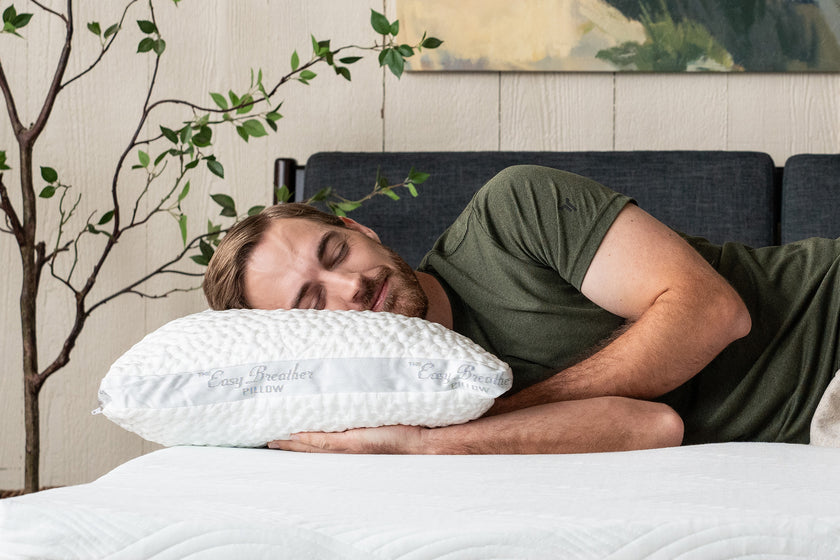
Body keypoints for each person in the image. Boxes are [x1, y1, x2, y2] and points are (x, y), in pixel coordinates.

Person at [203, 165, 840, 455]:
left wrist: (464, 429)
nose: (350, 287)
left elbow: (712, 312)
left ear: (359, 227)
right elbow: (652, 426)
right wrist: (420, 448)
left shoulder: (512, 213)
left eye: (336, 251)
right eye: (313, 301)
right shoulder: (365, 409)